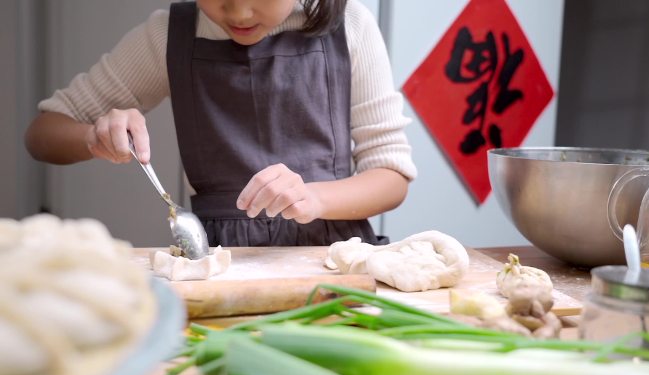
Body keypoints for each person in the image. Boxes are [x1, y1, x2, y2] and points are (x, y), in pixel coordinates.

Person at [25, 0, 417, 247]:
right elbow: (42, 136)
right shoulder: (167, 35)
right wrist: (93, 136)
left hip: (337, 258)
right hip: (217, 261)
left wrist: (314, 199)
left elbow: (391, 176)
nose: (240, 12)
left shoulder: (350, 26)